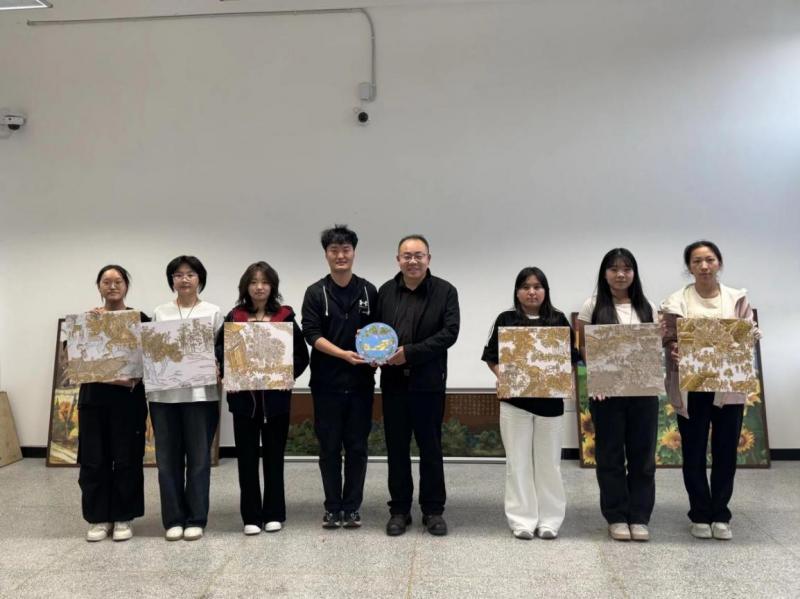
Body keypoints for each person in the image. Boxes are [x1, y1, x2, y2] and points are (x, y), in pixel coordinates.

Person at [661, 241, 757, 541]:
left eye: (710, 260)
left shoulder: (736, 298)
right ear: (689, 267)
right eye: (697, 261)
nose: (704, 266)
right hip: (692, 387)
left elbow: (747, 334)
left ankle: (721, 514)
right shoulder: (676, 301)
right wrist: (673, 348)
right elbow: (666, 337)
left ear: (719, 263)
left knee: (726, 451)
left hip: (728, 386)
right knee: (693, 451)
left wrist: (752, 335)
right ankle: (700, 513)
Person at [482, 267, 578, 540]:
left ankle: (550, 520)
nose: (532, 292)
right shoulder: (506, 319)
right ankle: (521, 520)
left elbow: (570, 358)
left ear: (545, 290)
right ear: (517, 292)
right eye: (525, 287)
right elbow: (492, 356)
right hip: (515, 403)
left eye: (537, 286)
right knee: (518, 463)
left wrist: (567, 380)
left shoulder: (558, 320)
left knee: (550, 464)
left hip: (551, 405)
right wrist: (502, 376)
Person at [375, 234, 460, 536]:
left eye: (418, 255)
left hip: (428, 383)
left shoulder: (445, 291)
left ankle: (433, 510)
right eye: (407, 256)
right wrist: (372, 349)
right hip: (393, 384)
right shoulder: (385, 292)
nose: (412, 261)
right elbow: (377, 332)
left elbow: (449, 333)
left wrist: (409, 353)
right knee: (396, 448)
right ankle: (399, 510)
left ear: (428, 259)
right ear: (398, 259)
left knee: (430, 448)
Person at [216, 262, 308, 535]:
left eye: (265, 282)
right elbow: (220, 351)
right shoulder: (235, 317)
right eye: (254, 282)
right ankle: (251, 517)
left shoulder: (285, 317)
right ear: (246, 286)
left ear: (272, 286)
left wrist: (286, 375)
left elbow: (301, 356)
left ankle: (274, 513)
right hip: (244, 402)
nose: (259, 287)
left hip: (276, 402)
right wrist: (228, 374)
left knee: (274, 458)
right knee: (246, 459)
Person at [576, 249, 660, 542]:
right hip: (607, 394)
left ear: (634, 273)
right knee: (610, 456)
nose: (620, 274)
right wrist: (599, 377)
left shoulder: (647, 306)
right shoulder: (592, 305)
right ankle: (616, 516)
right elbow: (584, 347)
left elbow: (653, 345)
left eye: (626, 269)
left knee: (643, 456)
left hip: (643, 392)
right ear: (605, 273)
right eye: (613, 269)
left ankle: (639, 516)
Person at [301, 225, 378, 529]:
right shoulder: (315, 292)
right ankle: (333, 507)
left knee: (358, 447)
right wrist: (343, 354)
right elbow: (311, 334)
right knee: (329, 447)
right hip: (326, 384)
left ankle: (353, 507)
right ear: (326, 254)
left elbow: (379, 332)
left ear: (354, 252)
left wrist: (376, 353)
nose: (341, 255)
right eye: (334, 250)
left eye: (346, 249)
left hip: (361, 384)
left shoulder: (369, 291)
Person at [148, 255, 223, 542]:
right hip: (163, 396)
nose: (184, 279)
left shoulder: (213, 312)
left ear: (199, 278)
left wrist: (218, 365)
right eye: (178, 275)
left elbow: (222, 351)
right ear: (172, 280)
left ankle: (196, 518)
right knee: (167, 461)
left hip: (201, 396)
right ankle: (173, 519)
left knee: (199, 459)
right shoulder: (160, 312)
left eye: (190, 274)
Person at [78, 265, 149, 542]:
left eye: (118, 281)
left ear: (126, 286)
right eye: (106, 282)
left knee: (127, 458)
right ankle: (98, 518)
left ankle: (123, 516)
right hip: (93, 401)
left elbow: (153, 359)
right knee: (93, 459)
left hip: (128, 403)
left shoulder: (139, 319)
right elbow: (74, 360)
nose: (112, 286)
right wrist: (87, 326)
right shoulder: (89, 320)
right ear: (99, 287)